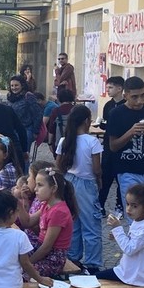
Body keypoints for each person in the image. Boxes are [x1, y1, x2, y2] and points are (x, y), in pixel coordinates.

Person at [13, 167, 76, 288]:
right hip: (41, 252)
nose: (35, 189)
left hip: (53, 258)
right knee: (8, 265)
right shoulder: (46, 204)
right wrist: (20, 203)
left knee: (18, 277)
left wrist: (26, 264)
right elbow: (27, 222)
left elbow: (47, 247)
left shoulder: (59, 211)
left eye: (40, 185)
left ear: (53, 189)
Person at [56, 105, 103, 272]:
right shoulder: (92, 141)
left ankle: (73, 259)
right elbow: (96, 169)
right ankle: (92, 263)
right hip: (86, 184)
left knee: (73, 223)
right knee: (91, 225)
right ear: (87, 121)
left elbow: (58, 165)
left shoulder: (64, 141)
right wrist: (100, 181)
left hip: (69, 182)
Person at [98, 76, 126, 213]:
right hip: (108, 145)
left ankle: (120, 205)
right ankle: (100, 205)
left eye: (110, 87)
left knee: (121, 178)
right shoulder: (108, 105)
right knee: (105, 177)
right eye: (107, 87)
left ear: (119, 88)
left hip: (122, 146)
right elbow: (106, 123)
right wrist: (102, 125)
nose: (107, 90)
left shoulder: (126, 105)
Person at [7, 75, 42, 153]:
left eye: (16, 85)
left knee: (23, 154)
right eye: (12, 85)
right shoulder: (10, 97)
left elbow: (37, 114)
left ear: (22, 85)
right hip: (13, 130)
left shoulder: (28, 96)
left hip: (26, 130)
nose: (14, 88)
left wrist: (35, 132)